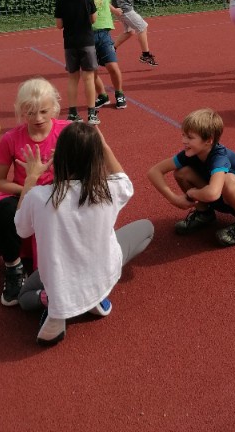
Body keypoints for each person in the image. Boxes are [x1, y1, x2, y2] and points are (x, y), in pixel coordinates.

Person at [15, 123, 154, 346]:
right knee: (147, 228)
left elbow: (21, 229)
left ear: (59, 157)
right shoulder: (108, 189)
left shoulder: (39, 197)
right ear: (97, 157)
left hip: (60, 282)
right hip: (101, 274)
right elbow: (125, 181)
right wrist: (104, 146)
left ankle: (56, 307)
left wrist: (30, 179)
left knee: (24, 297)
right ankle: (94, 300)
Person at [0, 78, 70, 307]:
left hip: (60, 193)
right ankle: (14, 268)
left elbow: (85, 170)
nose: (38, 118)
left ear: (55, 107)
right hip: (25, 196)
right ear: (21, 111)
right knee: (2, 213)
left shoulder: (68, 132)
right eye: (30, 113)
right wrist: (29, 188)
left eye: (43, 111)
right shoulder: (11, 139)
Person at [147, 108, 235, 247]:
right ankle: (204, 214)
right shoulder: (190, 153)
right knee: (182, 172)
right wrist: (173, 199)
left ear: (208, 140)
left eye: (190, 137)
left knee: (228, 180)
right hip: (216, 194)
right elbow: (154, 172)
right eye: (183, 135)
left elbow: (212, 193)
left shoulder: (219, 158)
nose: (183, 141)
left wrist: (192, 193)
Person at [79, 0, 127, 110]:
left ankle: (119, 94)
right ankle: (103, 96)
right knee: (92, 71)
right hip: (87, 37)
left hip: (104, 36)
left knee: (113, 67)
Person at [55, 0, 100, 124]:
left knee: (72, 78)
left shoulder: (60, 2)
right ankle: (92, 113)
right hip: (87, 42)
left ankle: (73, 113)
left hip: (70, 44)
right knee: (88, 78)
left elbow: (59, 25)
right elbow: (93, 19)